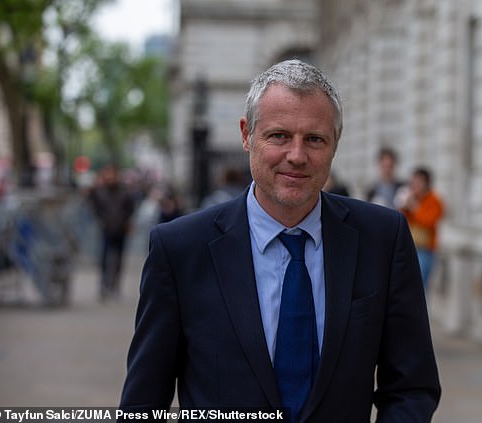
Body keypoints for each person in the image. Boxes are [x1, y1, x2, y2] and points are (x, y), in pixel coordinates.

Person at [119, 59, 440, 422]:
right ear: (246, 135)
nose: (297, 156)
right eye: (279, 136)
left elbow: (413, 387)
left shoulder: (383, 238)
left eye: (314, 139)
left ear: (336, 144)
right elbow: (143, 404)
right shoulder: (179, 249)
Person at [89, 164, 135, 301]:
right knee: (104, 258)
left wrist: (126, 221)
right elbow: (94, 207)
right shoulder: (99, 192)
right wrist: (102, 220)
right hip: (106, 229)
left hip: (120, 229)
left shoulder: (124, 192)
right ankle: (104, 286)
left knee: (119, 259)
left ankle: (115, 286)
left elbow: (130, 207)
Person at [398, 167, 444, 290]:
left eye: (418, 182)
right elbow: (402, 220)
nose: (415, 186)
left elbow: (428, 221)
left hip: (425, 250)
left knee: (419, 287)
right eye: (413, 182)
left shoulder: (434, 200)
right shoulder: (412, 198)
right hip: (410, 247)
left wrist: (413, 206)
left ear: (426, 183)